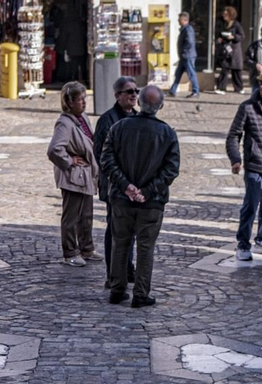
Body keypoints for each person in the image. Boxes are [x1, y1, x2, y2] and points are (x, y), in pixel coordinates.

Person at [99, 84, 181, 308]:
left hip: (123, 198)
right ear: (160, 106)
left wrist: (126, 186)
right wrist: (146, 191)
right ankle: (141, 293)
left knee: (120, 243)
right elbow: (171, 169)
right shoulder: (166, 133)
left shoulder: (120, 127)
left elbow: (107, 160)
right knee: (145, 247)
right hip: (150, 201)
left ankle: (117, 289)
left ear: (140, 103)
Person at [227, 67, 262, 259]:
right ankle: (243, 244)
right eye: (261, 84)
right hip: (254, 164)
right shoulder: (248, 107)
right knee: (251, 205)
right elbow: (233, 135)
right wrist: (236, 159)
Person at [49, 82, 100, 266]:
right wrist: (70, 161)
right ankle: (70, 252)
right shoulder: (65, 123)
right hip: (73, 176)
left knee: (86, 215)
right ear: (69, 102)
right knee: (72, 216)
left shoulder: (82, 118)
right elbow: (54, 149)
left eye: (84, 99)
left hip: (85, 175)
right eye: (80, 100)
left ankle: (87, 248)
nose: (84, 103)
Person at [96, 76, 138, 276]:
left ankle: (128, 267)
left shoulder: (138, 118)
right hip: (114, 185)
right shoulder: (108, 119)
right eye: (129, 91)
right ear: (117, 95)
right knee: (114, 229)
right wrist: (119, 180)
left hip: (134, 185)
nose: (134, 95)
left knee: (131, 229)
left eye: (136, 91)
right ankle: (113, 272)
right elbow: (100, 155)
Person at [214, 7, 244, 94]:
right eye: (224, 14)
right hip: (226, 50)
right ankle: (221, 87)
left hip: (234, 50)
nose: (224, 16)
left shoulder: (236, 25)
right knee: (224, 69)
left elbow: (242, 36)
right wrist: (220, 39)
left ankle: (239, 88)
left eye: (226, 14)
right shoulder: (223, 24)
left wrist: (234, 37)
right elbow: (219, 34)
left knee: (236, 70)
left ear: (231, 15)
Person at [168, 13, 199, 97]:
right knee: (178, 73)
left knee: (191, 73)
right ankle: (172, 90)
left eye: (180, 19)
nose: (178, 21)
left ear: (185, 20)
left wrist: (184, 52)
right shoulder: (184, 29)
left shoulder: (188, 29)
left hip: (187, 56)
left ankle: (195, 91)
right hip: (184, 56)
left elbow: (190, 42)